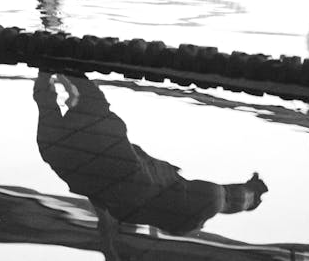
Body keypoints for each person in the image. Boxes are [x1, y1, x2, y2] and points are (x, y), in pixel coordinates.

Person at [34, 70, 268, 246]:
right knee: (64, 104)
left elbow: (220, 199)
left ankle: (53, 65)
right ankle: (51, 67)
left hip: (117, 171)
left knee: (85, 100)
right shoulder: (183, 210)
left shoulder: (212, 198)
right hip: (76, 168)